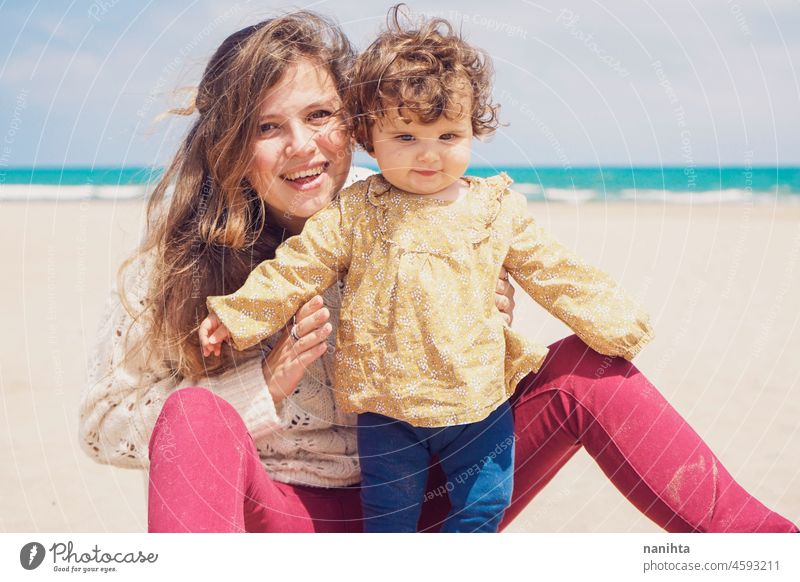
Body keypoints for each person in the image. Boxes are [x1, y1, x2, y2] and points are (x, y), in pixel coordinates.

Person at [79, 9, 797, 534]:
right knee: (196, 411)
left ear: (356, 123)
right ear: (231, 142)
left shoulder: (413, 218)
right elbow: (101, 426)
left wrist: (473, 337)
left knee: (584, 370)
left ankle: (766, 550)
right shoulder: (173, 269)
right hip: (287, 518)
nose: (303, 146)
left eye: (320, 114)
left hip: (432, 500)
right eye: (268, 127)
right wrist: (258, 390)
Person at [197, 10, 655, 533]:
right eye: (407, 138)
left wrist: (618, 322)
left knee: (481, 508)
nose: (430, 156)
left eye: (448, 135)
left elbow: (556, 271)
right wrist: (237, 314)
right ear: (369, 138)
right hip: (386, 411)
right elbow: (297, 267)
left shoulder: (495, 208)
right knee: (390, 521)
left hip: (477, 401)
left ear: (472, 129)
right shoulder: (356, 212)